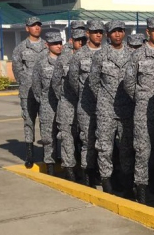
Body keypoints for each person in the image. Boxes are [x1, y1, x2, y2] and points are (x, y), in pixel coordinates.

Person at [123, 17, 154, 204]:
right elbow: (129, 83)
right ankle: (142, 190)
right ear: (148, 32)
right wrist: (142, 99)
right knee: (142, 151)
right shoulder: (138, 55)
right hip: (144, 112)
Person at [91, 20, 135, 196]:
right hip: (106, 109)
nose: (118, 34)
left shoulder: (133, 54)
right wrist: (104, 99)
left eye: (120, 31)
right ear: (108, 34)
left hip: (126, 109)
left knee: (126, 147)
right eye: (114, 31)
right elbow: (94, 83)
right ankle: (106, 181)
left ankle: (126, 181)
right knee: (105, 147)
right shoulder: (100, 56)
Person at [68, 20, 104, 187]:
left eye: (101, 32)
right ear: (87, 33)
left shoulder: (107, 52)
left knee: (105, 142)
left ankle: (102, 174)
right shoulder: (79, 55)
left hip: (106, 106)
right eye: (95, 31)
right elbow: (74, 81)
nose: (98, 34)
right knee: (87, 142)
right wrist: (85, 95)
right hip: (86, 106)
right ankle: (88, 175)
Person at [12, 16, 48, 168]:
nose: (37, 27)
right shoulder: (21, 48)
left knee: (46, 122)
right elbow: (17, 68)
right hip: (28, 91)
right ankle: (29, 154)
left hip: (46, 91)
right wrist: (25, 82)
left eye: (38, 25)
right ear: (27, 28)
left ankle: (48, 154)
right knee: (29, 121)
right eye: (33, 25)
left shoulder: (47, 46)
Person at [52, 28, 87, 181]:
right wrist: (64, 98)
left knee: (84, 138)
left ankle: (85, 170)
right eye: (78, 40)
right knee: (67, 139)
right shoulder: (63, 59)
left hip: (84, 104)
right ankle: (69, 170)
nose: (81, 43)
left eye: (84, 40)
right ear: (72, 41)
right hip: (67, 104)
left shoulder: (89, 57)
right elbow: (55, 82)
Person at [31, 31, 64, 175]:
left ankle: (65, 163)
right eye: (54, 43)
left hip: (64, 104)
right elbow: (36, 85)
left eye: (60, 43)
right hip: (47, 104)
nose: (58, 46)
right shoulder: (41, 63)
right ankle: (50, 165)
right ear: (47, 45)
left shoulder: (66, 60)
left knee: (65, 136)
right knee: (48, 136)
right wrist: (43, 100)